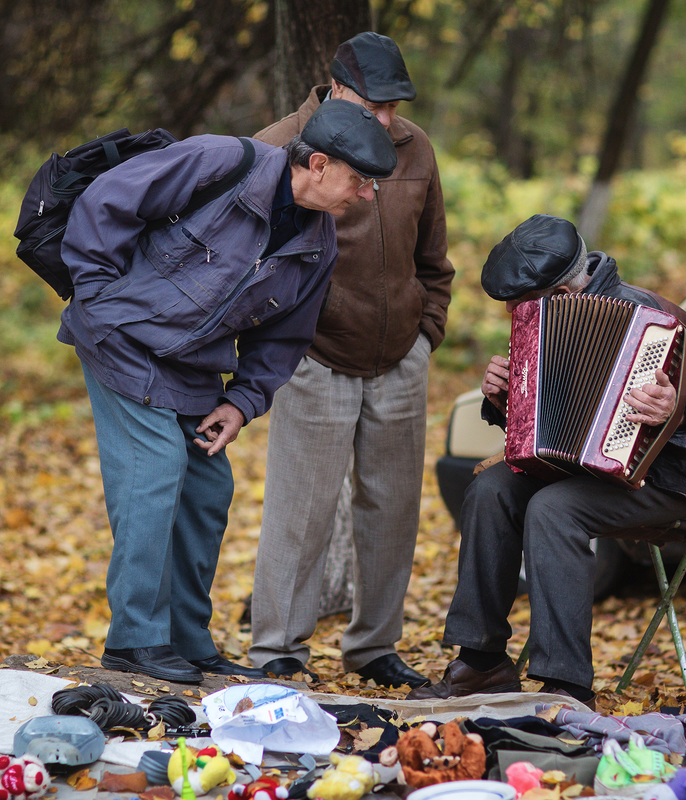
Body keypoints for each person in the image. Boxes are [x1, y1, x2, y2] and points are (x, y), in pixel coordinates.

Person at [58, 100, 397, 684]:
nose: (365, 195)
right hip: (123, 341)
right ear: (317, 165)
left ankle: (186, 642)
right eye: (359, 180)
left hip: (193, 369)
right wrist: (97, 298)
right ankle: (134, 641)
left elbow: (284, 337)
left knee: (208, 489)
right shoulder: (221, 161)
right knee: (154, 474)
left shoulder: (319, 243)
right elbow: (105, 202)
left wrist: (240, 402)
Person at [408, 215, 686, 705]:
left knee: (554, 509)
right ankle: (481, 662)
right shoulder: (547, 320)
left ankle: (567, 684)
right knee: (491, 489)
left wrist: (677, 408)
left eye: (519, 304)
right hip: (570, 471)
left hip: (659, 480)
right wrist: (502, 398)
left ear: (558, 293)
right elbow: (543, 418)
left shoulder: (657, 318)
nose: (512, 314)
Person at [247, 31, 453, 688]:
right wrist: (284, 347)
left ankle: (374, 647)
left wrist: (426, 337)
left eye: (395, 105)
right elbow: (249, 259)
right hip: (315, 358)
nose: (388, 120)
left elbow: (435, 259)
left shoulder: (415, 148)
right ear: (336, 87)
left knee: (391, 509)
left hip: (399, 358)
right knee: (300, 510)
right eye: (375, 104)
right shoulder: (280, 145)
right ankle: (277, 649)